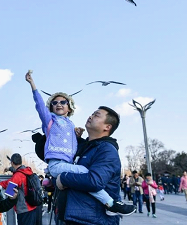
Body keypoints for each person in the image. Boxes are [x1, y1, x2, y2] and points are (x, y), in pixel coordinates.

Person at [25, 71, 135, 217]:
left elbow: (92, 180)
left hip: (88, 215)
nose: (58, 104)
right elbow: (39, 106)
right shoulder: (51, 121)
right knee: (84, 171)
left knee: (86, 174)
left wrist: (76, 138)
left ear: (69, 107)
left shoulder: (101, 146)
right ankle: (111, 203)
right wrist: (33, 85)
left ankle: (110, 203)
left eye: (63, 102)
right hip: (58, 168)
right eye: (54, 102)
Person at [56, 106, 128, 225]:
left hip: (94, 220)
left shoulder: (106, 150)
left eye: (96, 115)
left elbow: (95, 181)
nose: (91, 116)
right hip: (74, 216)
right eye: (92, 114)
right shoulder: (85, 147)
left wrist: (64, 178)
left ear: (107, 127)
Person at [0, 153, 42, 225]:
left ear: (12, 163)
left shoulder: (17, 176)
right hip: (33, 207)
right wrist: (9, 169)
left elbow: (10, 190)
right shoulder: (27, 170)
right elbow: (18, 170)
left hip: (24, 210)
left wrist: (0, 184)